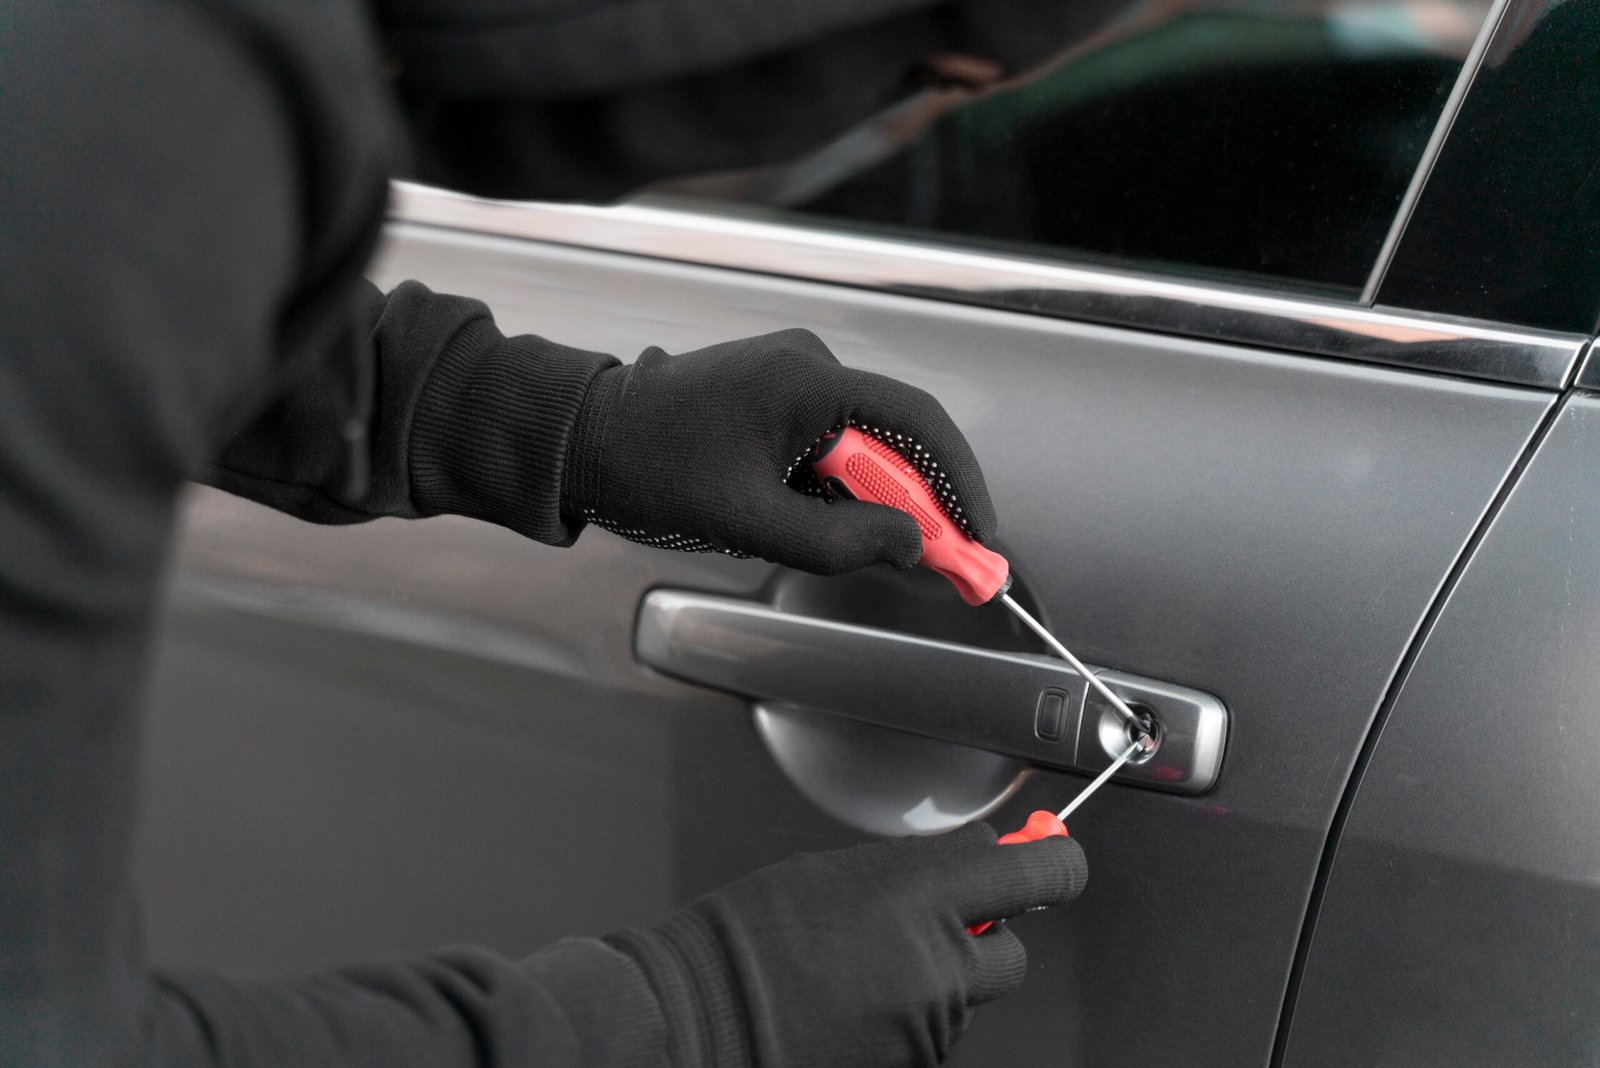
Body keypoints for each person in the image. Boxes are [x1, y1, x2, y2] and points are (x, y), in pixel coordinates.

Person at [1, 2, 1116, 1064]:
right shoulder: (138, 96)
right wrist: (694, 1021)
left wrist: (557, 428)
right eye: (917, 74)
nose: (858, 126)